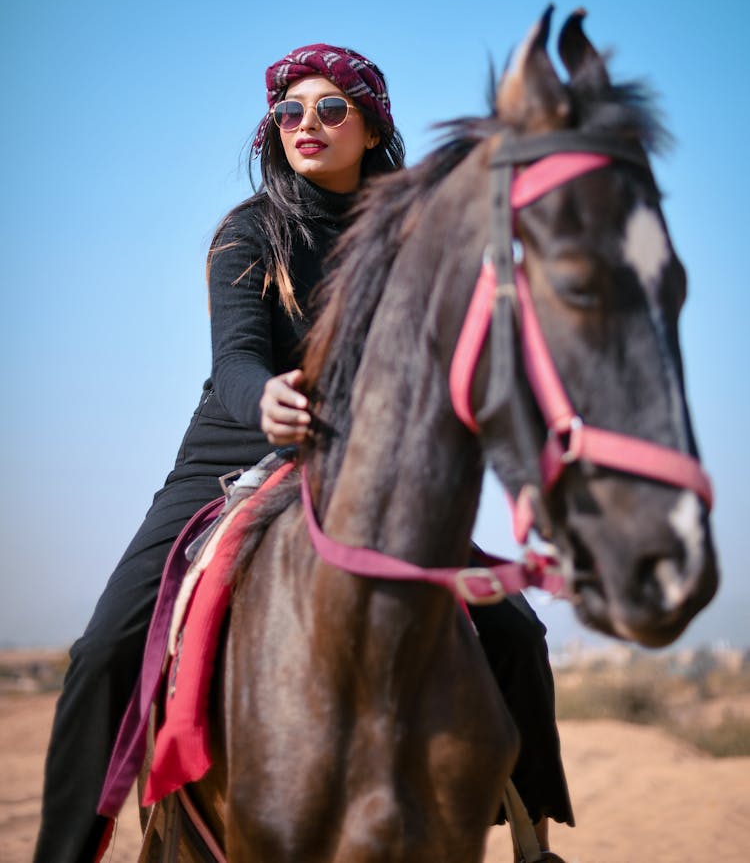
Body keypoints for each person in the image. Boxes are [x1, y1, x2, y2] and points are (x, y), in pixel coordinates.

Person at [34, 44, 572, 863]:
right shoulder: (250, 232)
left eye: (329, 109)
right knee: (103, 649)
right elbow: (237, 358)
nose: (305, 125)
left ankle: (531, 835)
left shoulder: (406, 232)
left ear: (371, 125)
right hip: (237, 451)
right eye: (289, 112)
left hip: (359, 470)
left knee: (517, 636)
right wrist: (268, 399)